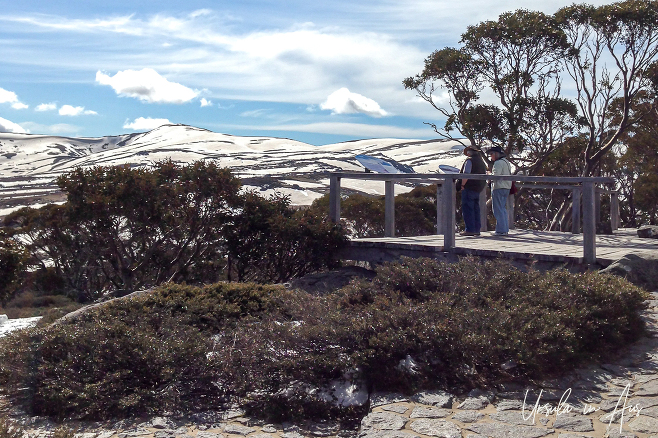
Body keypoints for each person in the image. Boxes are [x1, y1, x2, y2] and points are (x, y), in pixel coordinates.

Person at [457, 146, 487, 236]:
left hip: (469, 187)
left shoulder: (469, 161)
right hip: (478, 188)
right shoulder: (481, 162)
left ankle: (469, 229)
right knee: (476, 209)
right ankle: (477, 229)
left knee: (468, 208)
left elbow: (466, 173)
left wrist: (462, 184)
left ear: (469, 153)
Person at [486, 146, 512, 236]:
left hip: (499, 186)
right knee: (502, 208)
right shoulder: (506, 162)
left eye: (492, 154)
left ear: (496, 154)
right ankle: (504, 228)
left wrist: (489, 174)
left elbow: (495, 176)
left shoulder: (498, 163)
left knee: (497, 209)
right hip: (507, 187)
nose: (491, 156)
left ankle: (501, 230)